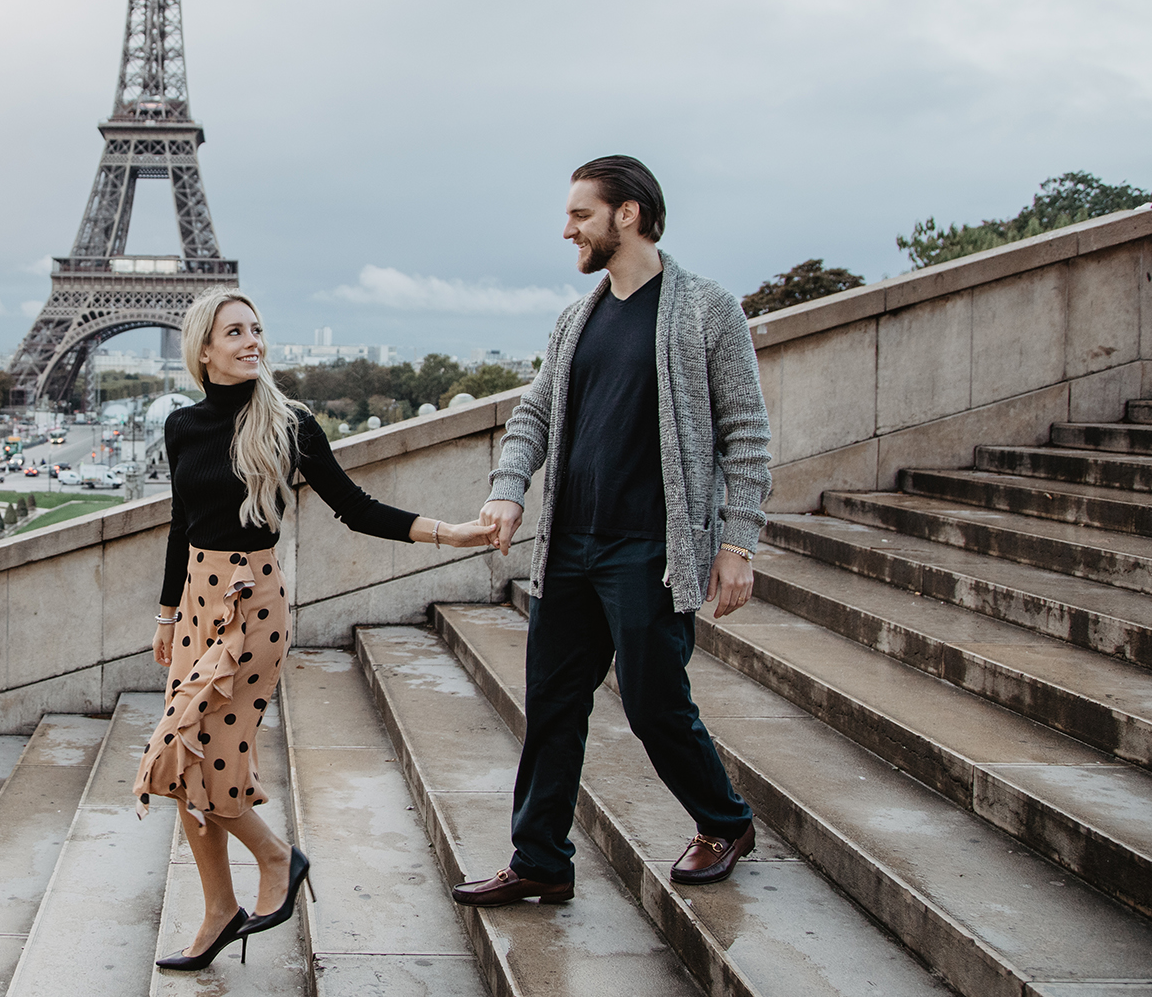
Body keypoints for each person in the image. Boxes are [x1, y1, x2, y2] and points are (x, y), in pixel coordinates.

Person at [136, 288, 496, 971]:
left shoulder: (288, 422)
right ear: (202, 349)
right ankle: (219, 909)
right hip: (196, 606)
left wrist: (449, 533)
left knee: (200, 758)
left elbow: (355, 509)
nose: (252, 342)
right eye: (234, 331)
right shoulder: (181, 426)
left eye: (257, 329)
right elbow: (181, 526)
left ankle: (275, 858)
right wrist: (165, 613)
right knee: (180, 761)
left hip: (251, 608)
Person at [454, 155, 773, 909]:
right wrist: (508, 492)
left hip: (651, 548)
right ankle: (540, 860)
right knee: (553, 707)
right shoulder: (578, 318)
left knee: (655, 701)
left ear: (627, 214)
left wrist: (737, 543)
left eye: (580, 216)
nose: (567, 230)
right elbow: (531, 414)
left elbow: (747, 436)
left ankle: (724, 822)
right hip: (571, 546)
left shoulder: (705, 310)